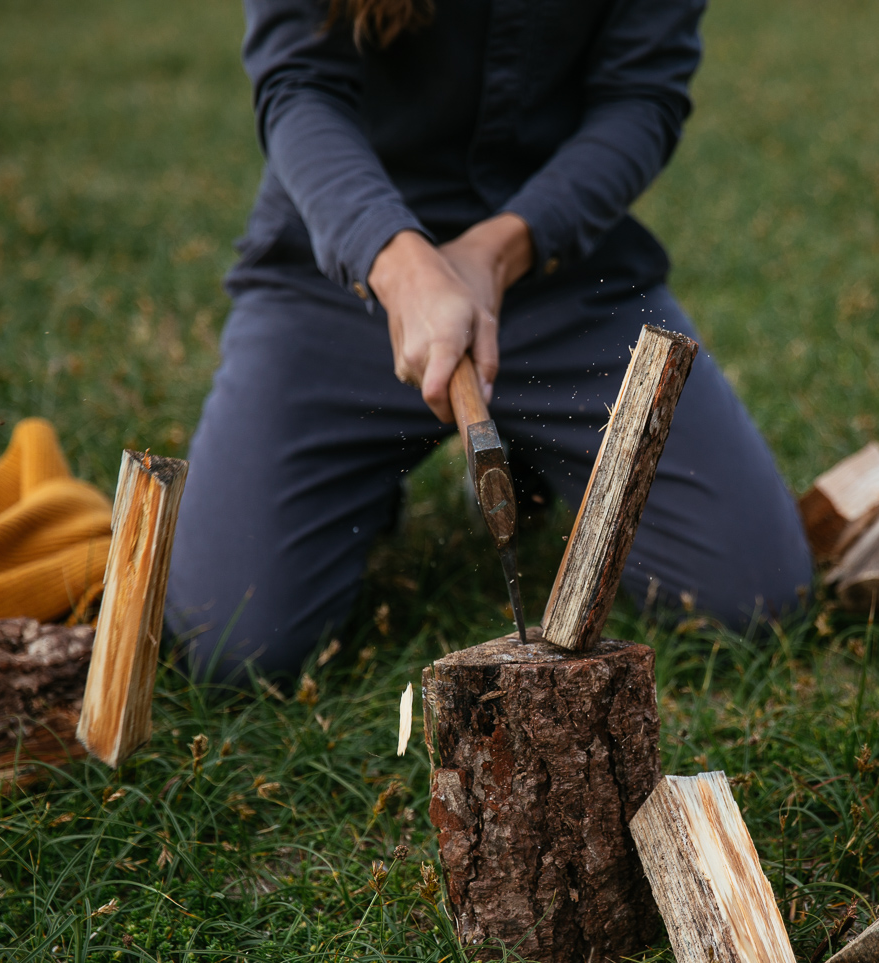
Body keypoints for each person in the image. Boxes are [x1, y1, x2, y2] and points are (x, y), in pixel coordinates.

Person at [165, 0, 811, 683]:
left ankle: (534, 447)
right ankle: (363, 477)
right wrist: (397, 260)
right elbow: (298, 87)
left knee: (757, 598)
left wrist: (498, 253)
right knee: (231, 646)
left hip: (561, 272)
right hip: (344, 279)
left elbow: (641, 98)